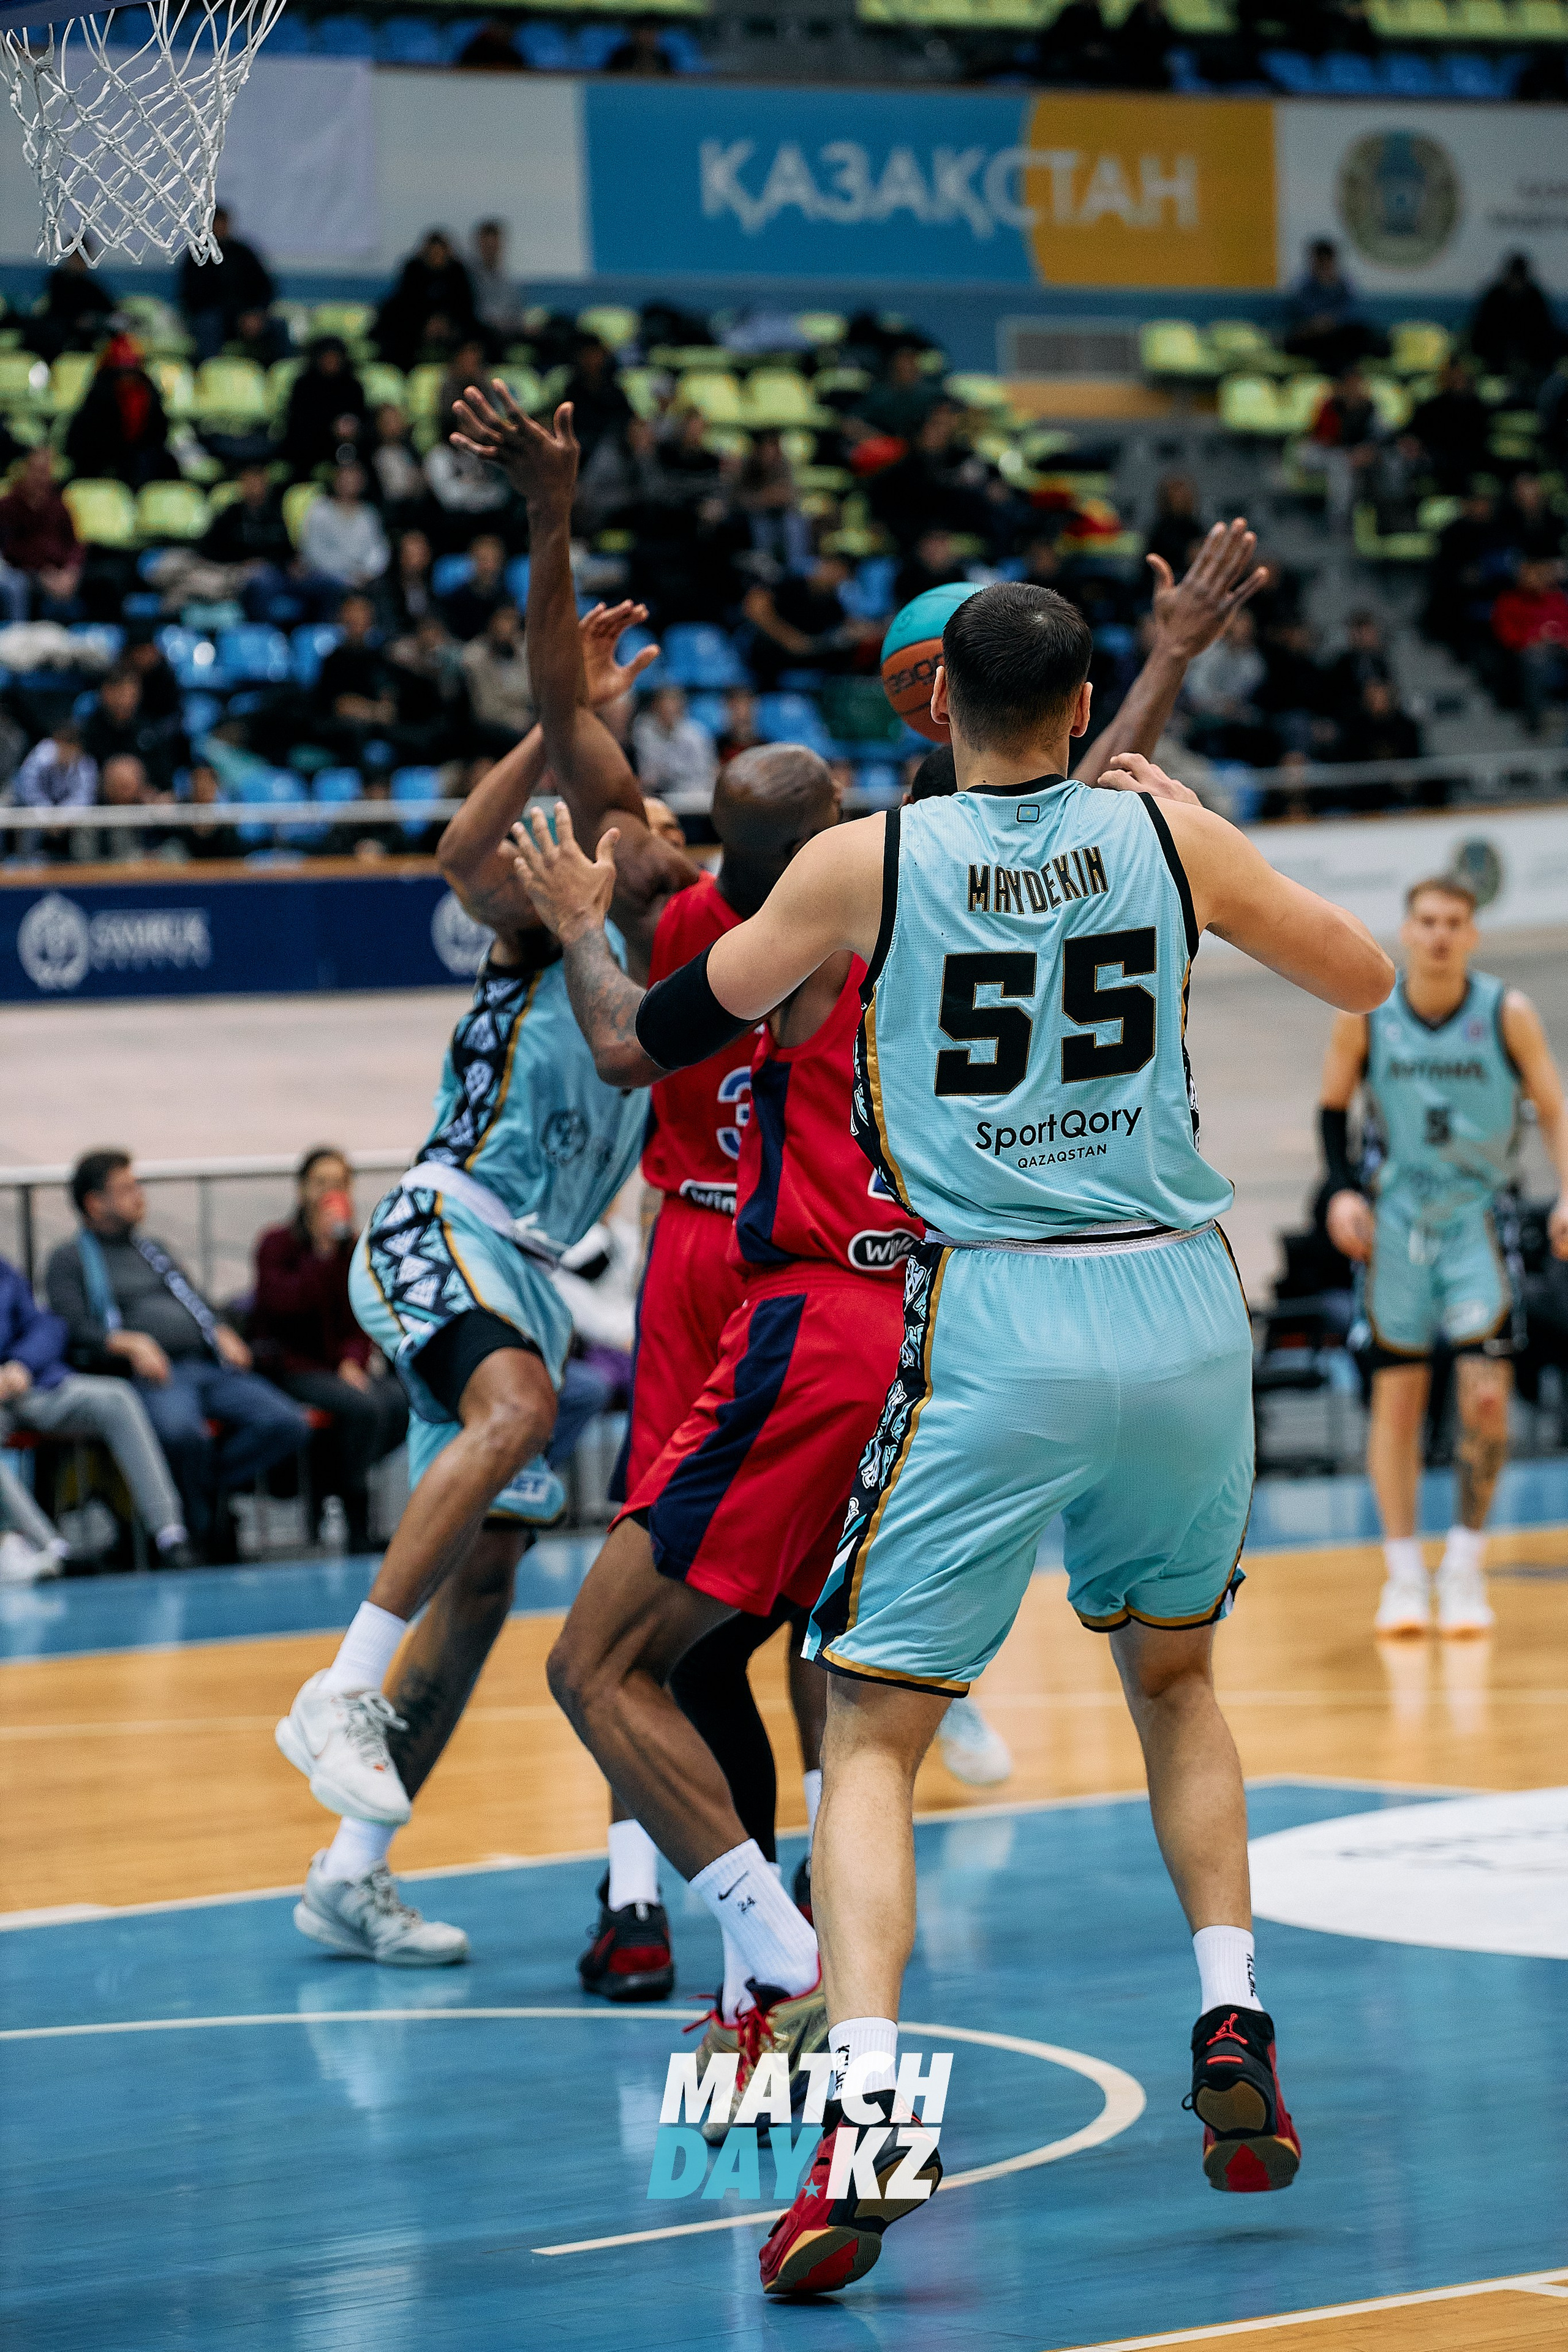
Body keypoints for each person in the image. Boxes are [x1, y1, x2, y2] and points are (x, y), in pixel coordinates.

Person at [553, 579, 1393, 2297]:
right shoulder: (1172, 849)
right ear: (1085, 711)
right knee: (1177, 1686)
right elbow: (1363, 971)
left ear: (934, 711)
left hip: (996, 1317)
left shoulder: (868, 863)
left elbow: (653, 1038)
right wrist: (1195, 819)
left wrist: (583, 918)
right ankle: (1232, 2016)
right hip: (1178, 1308)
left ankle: (867, 2113)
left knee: (872, 1734)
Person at [464, 386, 1275, 2107]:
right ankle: (748, 1945)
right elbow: (1062, 816)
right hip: (948, 1309)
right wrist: (1162, 663)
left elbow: (605, 901)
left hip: (812, 1306)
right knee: (814, 1672)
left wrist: (552, 527)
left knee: (657, 1663)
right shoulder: (903, 883)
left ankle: (786, 1987)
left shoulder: (748, 908)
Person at [270, 600, 658, 1968]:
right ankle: (338, 1688)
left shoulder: (673, 988)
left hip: (534, 1274)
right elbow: (453, 853)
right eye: (644, 817)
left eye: (669, 826)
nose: (657, 831)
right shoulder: (547, 925)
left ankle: (349, 1874)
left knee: (489, 1583)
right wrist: (561, 723)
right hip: (447, 1216)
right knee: (515, 1413)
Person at [1319, 876, 1568, 1637]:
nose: (1437, 934)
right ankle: (1402, 1575)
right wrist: (1338, 1191)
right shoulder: (1367, 1013)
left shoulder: (1506, 1013)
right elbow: (1331, 1109)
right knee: (1397, 1399)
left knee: (1486, 1399)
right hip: (1393, 1221)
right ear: (1405, 929)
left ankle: (1462, 1564)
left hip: (1478, 1221)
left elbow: (1553, 1109)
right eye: (1425, 921)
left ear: (1471, 935)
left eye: (1452, 923)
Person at [46, 1153, 311, 1562]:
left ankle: (204, 1490)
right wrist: (128, 1343)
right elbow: (70, 1325)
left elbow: (195, 1300)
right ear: (95, 1202)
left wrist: (220, 1329)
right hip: (154, 1375)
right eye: (127, 1189)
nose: (140, 1197)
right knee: (182, 1434)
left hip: (204, 1365)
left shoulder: (154, 1250)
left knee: (287, 1422)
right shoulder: (71, 1259)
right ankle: (200, 1522)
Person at [251, 1150, 408, 1553]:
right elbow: (282, 1306)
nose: (329, 1193)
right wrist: (321, 1255)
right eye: (320, 1183)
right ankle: (353, 1516)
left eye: (338, 1183)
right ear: (302, 1190)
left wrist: (353, 1361)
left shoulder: (355, 1248)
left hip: (338, 1367)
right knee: (364, 1409)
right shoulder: (276, 1244)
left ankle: (332, 1487)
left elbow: (363, 1315)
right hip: (292, 1365)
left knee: (401, 1402)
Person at [0, 1248, 194, 1568]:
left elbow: (46, 1325)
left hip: (30, 1384)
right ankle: (50, 1549)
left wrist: (23, 1364)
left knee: (116, 1397)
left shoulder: (4, 1272)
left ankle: (170, 1534)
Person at [63, 335, 177, 490]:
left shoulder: (148, 392)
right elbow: (82, 442)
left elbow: (158, 435)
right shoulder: (100, 392)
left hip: (140, 465)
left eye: (130, 372)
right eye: (120, 373)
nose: (126, 378)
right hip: (100, 465)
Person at [178, 205, 276, 363]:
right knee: (208, 324)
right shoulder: (196, 254)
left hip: (247, 316)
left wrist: (256, 313)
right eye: (216, 223)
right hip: (215, 316)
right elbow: (193, 295)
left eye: (224, 223)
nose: (221, 227)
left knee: (278, 327)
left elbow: (265, 287)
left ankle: (277, 374)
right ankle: (209, 370)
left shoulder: (242, 252)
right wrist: (234, 314)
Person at [374, 230, 477, 374]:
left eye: (440, 253)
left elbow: (464, 306)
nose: (437, 258)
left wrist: (446, 323)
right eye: (433, 253)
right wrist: (425, 324)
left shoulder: (458, 273)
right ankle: (404, 377)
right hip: (414, 327)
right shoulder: (413, 271)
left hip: (452, 328)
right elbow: (406, 304)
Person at [0, 448, 84, 619]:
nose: (40, 477)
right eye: (36, 471)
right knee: (17, 584)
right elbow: (8, 550)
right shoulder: (8, 506)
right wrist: (43, 573)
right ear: (25, 471)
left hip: (58, 573)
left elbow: (74, 543)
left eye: (45, 472)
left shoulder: (59, 506)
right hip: (22, 571)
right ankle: (18, 635)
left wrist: (71, 570)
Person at [1490, 557, 1568, 732]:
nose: (1537, 579)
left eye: (1541, 574)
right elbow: (1506, 634)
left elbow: (1565, 625)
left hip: (1557, 646)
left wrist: (1558, 637)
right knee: (1535, 662)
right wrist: (1534, 638)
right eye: (1532, 574)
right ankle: (1535, 721)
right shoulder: (1508, 600)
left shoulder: (1555, 597)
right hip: (1526, 650)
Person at [1281, 239, 1382, 374]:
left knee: (1358, 336)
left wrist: (1333, 322)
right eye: (1319, 262)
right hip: (1313, 339)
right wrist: (1318, 325)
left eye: (1327, 262)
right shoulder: (1303, 287)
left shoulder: (1345, 286)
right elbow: (1303, 316)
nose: (1323, 267)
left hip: (1339, 335)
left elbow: (1353, 314)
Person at [1468, 252, 1562, 390]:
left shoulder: (1535, 297)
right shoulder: (1494, 296)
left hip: (1531, 359)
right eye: (1514, 277)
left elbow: (1544, 330)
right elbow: (1482, 332)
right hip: (1496, 357)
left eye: (1520, 278)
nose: (1516, 283)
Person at [280, 338, 369, 478]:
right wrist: (330, 428)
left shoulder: (353, 387)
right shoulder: (303, 386)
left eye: (335, 358)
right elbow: (298, 423)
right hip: (309, 447)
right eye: (327, 358)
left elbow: (362, 418)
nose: (331, 363)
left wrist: (351, 427)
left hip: (345, 446)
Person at [300, 464, 390, 594]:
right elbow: (314, 552)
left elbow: (379, 549)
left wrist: (369, 571)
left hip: (364, 578)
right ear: (335, 481)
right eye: (345, 478)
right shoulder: (320, 510)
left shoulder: (369, 513)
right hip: (328, 578)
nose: (349, 483)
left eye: (354, 479)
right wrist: (346, 575)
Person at [631, 683, 716, 809]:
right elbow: (649, 777)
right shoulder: (644, 732)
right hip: (658, 797)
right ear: (655, 707)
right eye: (665, 706)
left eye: (673, 705)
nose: (669, 711)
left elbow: (706, 774)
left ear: (682, 708)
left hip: (695, 798)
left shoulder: (696, 734)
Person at [30, 244, 116, 363]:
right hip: (58, 334)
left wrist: (93, 319)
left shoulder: (91, 287)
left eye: (84, 258)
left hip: (82, 338)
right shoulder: (57, 282)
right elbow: (56, 311)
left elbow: (110, 311)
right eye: (77, 258)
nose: (80, 262)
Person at [469, 220, 524, 351]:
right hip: (483, 335)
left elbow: (517, 312)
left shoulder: (509, 280)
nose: (491, 250)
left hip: (509, 332)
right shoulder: (468, 276)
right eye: (487, 246)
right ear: (479, 245)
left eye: (494, 245)